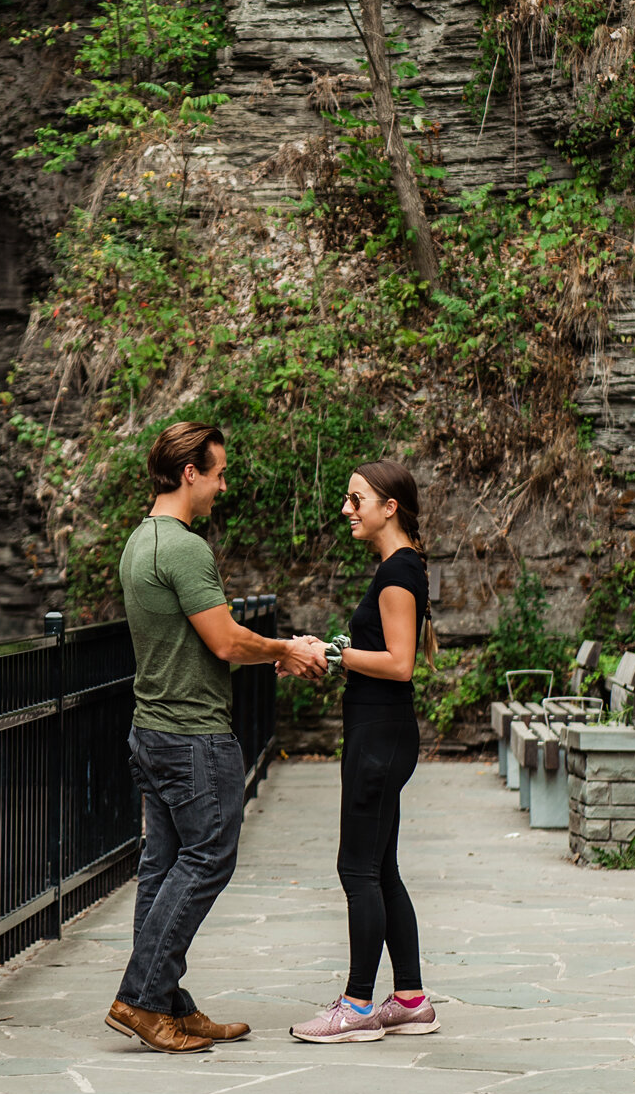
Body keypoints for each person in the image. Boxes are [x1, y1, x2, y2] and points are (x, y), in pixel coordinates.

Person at [107, 421, 327, 1054]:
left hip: (151, 730)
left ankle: (168, 1002)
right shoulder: (183, 547)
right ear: (190, 474)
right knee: (208, 858)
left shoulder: (137, 542)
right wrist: (285, 647)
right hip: (192, 735)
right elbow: (227, 640)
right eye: (219, 473)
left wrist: (273, 652)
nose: (223, 486)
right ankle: (144, 1000)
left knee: (163, 867)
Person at [291, 458, 439, 1045]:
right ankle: (409, 999)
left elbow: (399, 665)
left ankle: (356, 1007)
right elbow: (385, 651)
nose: (347, 510)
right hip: (381, 732)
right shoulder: (397, 568)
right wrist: (335, 651)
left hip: (380, 736)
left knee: (356, 868)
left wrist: (332, 655)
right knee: (380, 868)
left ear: (389, 507)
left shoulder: (399, 574)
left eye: (357, 500)